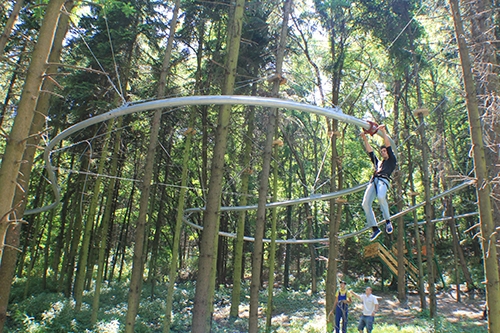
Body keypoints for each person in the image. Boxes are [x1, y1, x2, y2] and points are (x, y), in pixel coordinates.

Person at [360, 124, 397, 241]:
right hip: (374, 181)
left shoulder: (391, 160)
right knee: (365, 204)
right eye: (382, 152)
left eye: (385, 151)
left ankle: (388, 221)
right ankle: (375, 228)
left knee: (381, 197)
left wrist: (383, 132)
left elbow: (388, 145)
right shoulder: (378, 163)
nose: (383, 152)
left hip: (383, 181)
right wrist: (364, 138)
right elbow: (370, 151)